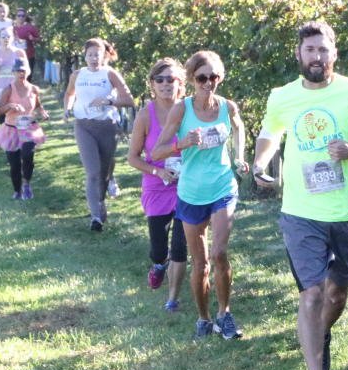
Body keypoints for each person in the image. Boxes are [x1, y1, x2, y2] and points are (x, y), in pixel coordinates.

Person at [251, 20, 348, 370]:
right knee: (312, 292)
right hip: (300, 211)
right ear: (299, 54)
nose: (316, 57)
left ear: (334, 53)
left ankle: (317, 336)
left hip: (347, 210)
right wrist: (260, 161)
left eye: (323, 50)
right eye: (309, 50)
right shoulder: (282, 96)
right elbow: (270, 132)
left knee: (337, 292)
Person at [152, 50, 248, 339]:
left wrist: (239, 157)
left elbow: (239, 127)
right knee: (201, 263)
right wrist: (182, 144)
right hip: (192, 194)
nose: (209, 83)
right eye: (202, 77)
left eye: (214, 77)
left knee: (219, 254)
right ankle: (204, 317)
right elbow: (157, 151)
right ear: (192, 79)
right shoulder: (182, 110)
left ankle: (224, 315)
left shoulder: (226, 107)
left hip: (222, 187)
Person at [126, 58, 189, 312]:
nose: (165, 84)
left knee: (180, 246)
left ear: (180, 84)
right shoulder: (145, 115)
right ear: (152, 84)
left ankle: (172, 299)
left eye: (171, 79)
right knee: (159, 247)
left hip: (186, 186)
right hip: (156, 185)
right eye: (159, 80)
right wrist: (158, 171)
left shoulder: (188, 111)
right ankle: (158, 265)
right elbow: (132, 157)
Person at [65, 38, 135, 230]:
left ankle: (101, 202)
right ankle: (95, 216)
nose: (94, 58)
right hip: (83, 126)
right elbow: (69, 94)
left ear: (104, 55)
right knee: (93, 172)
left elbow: (129, 100)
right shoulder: (77, 75)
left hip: (106, 126)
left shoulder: (110, 74)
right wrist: (67, 109)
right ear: (84, 56)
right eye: (90, 54)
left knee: (104, 172)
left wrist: (109, 102)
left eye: (98, 54)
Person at [0, 59, 49, 200]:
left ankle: (26, 184)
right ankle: (17, 191)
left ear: (27, 72)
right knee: (14, 163)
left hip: (29, 128)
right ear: (13, 72)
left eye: (23, 71)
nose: (21, 73)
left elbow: (37, 105)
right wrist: (10, 106)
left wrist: (42, 112)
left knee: (28, 155)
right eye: (18, 71)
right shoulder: (8, 89)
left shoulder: (34, 89)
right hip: (11, 129)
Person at [0, 27, 28, 106]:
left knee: (15, 117)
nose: (6, 39)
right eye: (3, 37)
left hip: (16, 92)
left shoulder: (19, 52)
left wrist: (20, 73)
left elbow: (28, 71)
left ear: (13, 38)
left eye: (9, 36)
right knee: (2, 118)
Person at [13, 9, 41, 82]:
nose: (21, 17)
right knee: (15, 77)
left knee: (27, 77)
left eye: (23, 16)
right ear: (15, 17)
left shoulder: (30, 27)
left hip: (29, 56)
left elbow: (39, 39)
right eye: (19, 15)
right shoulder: (12, 28)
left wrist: (33, 39)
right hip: (15, 57)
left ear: (25, 17)